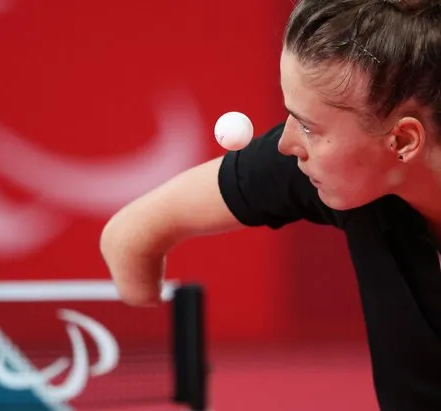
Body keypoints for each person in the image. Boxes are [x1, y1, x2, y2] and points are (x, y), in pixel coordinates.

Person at [99, 0, 441, 409]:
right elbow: (132, 232)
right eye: (290, 116)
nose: (285, 143)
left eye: (310, 128)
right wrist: (148, 341)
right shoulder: (338, 168)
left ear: (402, 141)